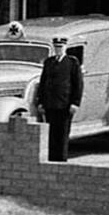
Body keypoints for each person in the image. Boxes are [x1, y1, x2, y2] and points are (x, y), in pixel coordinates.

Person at [36, 35, 83, 163]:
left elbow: (78, 84)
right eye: (56, 48)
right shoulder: (49, 62)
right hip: (50, 104)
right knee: (51, 133)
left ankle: (61, 159)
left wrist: (75, 102)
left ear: (65, 47)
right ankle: (51, 158)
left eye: (61, 47)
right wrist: (40, 102)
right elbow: (43, 82)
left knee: (62, 133)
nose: (58, 50)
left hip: (65, 104)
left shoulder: (72, 63)